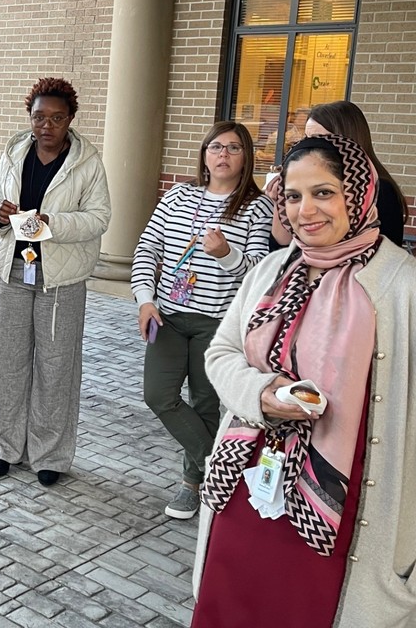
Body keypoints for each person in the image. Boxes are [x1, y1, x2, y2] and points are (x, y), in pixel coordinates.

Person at [193, 134, 416, 627]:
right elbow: (222, 353)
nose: (305, 210)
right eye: (293, 196)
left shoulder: (403, 286)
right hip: (247, 480)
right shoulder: (273, 268)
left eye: (324, 192)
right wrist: (262, 394)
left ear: (358, 194)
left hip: (342, 503)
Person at [131, 121, 273, 519]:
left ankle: (192, 486)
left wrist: (227, 253)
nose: (223, 154)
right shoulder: (178, 196)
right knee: (158, 395)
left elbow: (259, 274)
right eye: (215, 147)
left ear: (246, 157)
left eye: (233, 147)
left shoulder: (256, 207)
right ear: (204, 154)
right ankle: (218, 465)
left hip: (218, 325)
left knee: (207, 404)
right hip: (168, 317)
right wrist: (144, 300)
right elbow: (147, 249)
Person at [0, 77, 111, 487]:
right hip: (13, 271)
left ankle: (50, 455)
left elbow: (98, 217)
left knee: (56, 368)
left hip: (62, 278)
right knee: (7, 362)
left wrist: (54, 225)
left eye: (56, 117)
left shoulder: (86, 162)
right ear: (30, 117)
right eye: (39, 117)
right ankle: (5, 448)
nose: (47, 125)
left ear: (70, 118)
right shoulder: (14, 152)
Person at [270, 100, 408, 248]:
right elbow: (279, 249)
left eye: (321, 140)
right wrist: (284, 197)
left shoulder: (381, 190)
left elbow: (388, 255)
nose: (309, 147)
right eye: (307, 139)